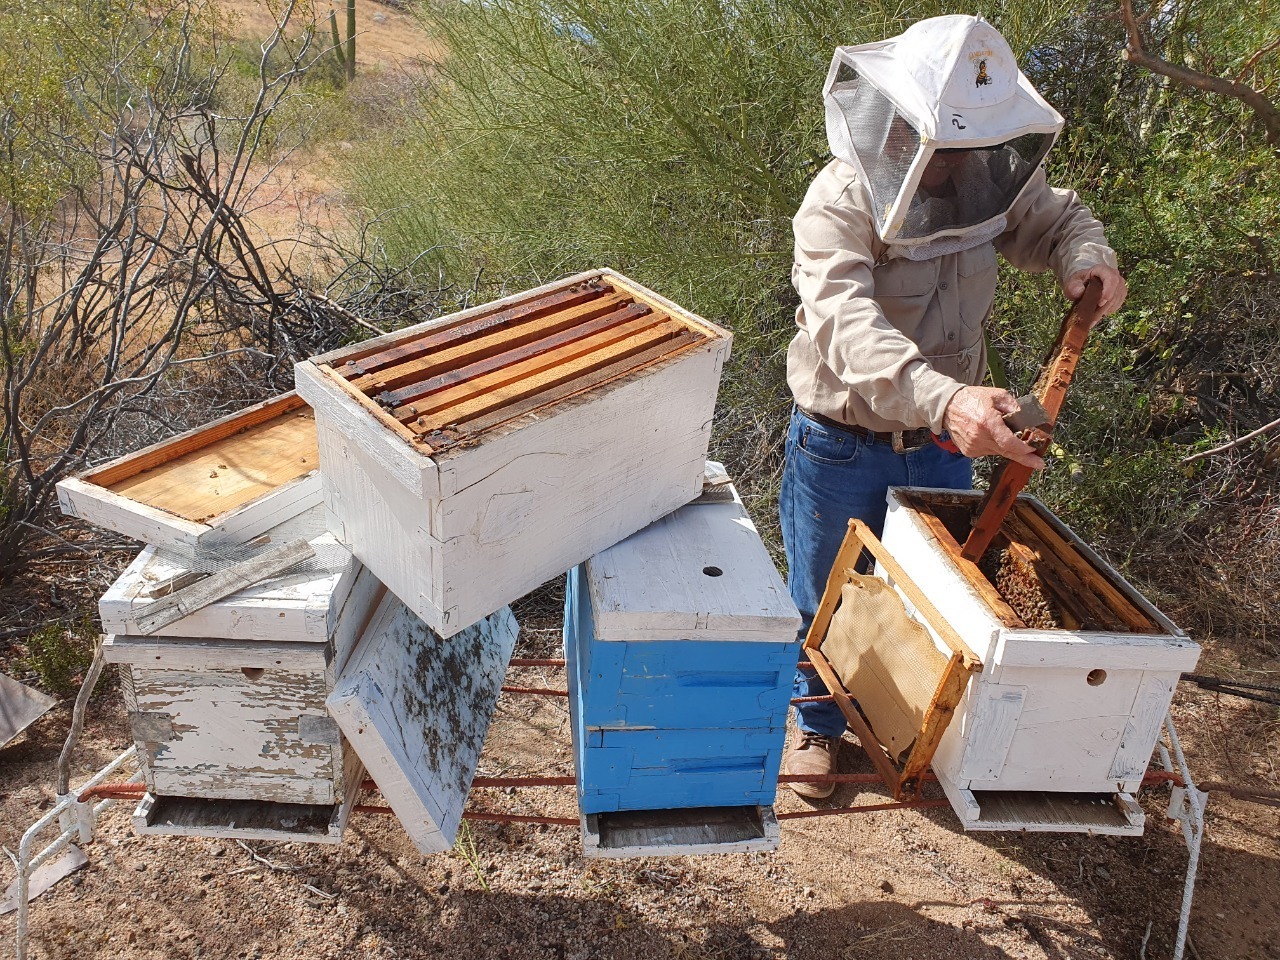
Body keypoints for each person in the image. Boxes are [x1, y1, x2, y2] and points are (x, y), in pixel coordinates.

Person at [781, 14, 1129, 798]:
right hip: (845, 440)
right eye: (952, 145)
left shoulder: (985, 178)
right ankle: (817, 727)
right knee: (821, 592)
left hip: (946, 441)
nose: (967, 163)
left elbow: (1059, 219)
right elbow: (847, 328)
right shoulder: (838, 199)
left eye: (976, 145)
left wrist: (1088, 261)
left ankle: (906, 721)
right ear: (901, 126)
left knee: (927, 595)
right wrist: (947, 400)